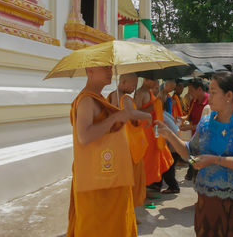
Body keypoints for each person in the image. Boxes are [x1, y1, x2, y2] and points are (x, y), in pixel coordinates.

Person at [156, 71, 233, 237]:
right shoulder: (206, 122)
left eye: (213, 92)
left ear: (228, 95)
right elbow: (189, 152)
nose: (208, 96)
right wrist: (169, 134)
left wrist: (214, 160)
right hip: (207, 199)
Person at [66, 66, 137, 236]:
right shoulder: (86, 100)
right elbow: (84, 136)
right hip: (95, 179)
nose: (109, 70)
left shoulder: (99, 99)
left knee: (114, 223)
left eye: (110, 67)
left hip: (107, 173)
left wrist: (118, 117)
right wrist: (114, 117)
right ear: (90, 70)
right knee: (96, 225)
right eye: (104, 67)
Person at [107, 73, 152, 221]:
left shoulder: (111, 96)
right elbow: (130, 113)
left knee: (119, 182)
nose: (134, 89)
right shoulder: (125, 98)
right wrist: (148, 116)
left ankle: (119, 213)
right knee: (131, 182)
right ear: (124, 82)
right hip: (127, 146)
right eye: (132, 85)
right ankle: (128, 215)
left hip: (115, 144)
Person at [134, 78, 174, 188]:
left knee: (160, 155)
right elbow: (135, 113)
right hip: (145, 131)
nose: (156, 85)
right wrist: (153, 107)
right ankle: (143, 185)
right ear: (145, 80)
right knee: (147, 159)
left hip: (154, 130)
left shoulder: (149, 92)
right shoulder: (140, 93)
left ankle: (156, 183)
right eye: (154, 83)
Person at [180, 78, 209, 181]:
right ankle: (192, 172)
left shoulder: (210, 103)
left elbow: (208, 125)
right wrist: (181, 120)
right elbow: (190, 116)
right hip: (194, 139)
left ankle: (195, 175)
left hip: (206, 141)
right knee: (192, 159)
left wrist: (189, 127)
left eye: (191, 90)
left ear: (200, 89)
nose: (190, 93)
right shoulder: (194, 101)